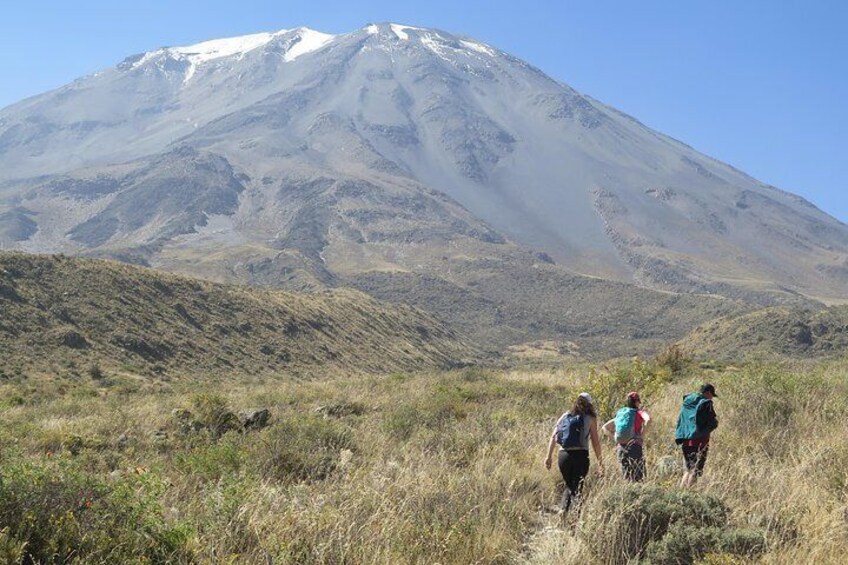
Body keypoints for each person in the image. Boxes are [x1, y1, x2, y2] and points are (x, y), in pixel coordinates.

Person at [545, 392, 604, 512]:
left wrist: (548, 456)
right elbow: (595, 442)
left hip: (563, 456)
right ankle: (575, 520)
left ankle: (563, 510)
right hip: (580, 455)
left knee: (569, 485)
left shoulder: (565, 416)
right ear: (589, 404)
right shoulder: (590, 418)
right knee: (577, 487)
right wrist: (600, 462)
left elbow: (553, 436)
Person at [674, 383, 719, 487]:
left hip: (685, 440)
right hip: (700, 442)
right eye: (712, 395)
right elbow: (712, 422)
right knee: (695, 471)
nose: (712, 397)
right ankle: (690, 494)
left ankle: (681, 494)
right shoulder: (706, 403)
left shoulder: (688, 401)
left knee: (687, 469)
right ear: (708, 393)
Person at [602, 391, 649, 482]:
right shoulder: (639, 412)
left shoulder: (622, 414)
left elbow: (604, 427)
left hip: (621, 449)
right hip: (634, 446)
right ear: (636, 402)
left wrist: (615, 438)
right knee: (639, 478)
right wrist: (641, 436)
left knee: (627, 477)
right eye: (639, 401)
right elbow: (649, 419)